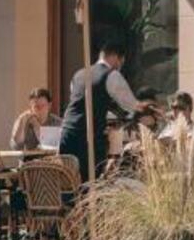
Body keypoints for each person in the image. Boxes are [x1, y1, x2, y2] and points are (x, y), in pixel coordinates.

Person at [58, 42, 141, 179]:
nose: (120, 67)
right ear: (116, 57)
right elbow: (131, 105)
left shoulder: (78, 75)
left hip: (67, 135)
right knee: (90, 185)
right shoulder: (111, 75)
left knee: (69, 185)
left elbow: (79, 104)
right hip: (88, 139)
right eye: (121, 63)